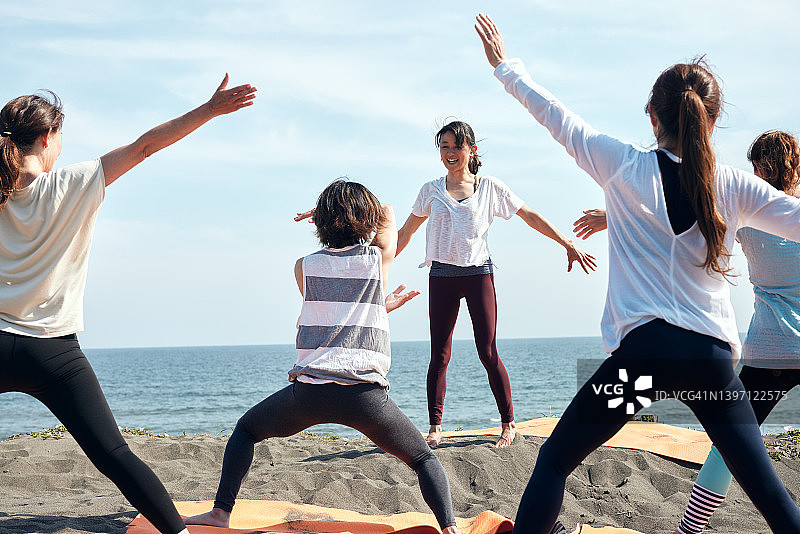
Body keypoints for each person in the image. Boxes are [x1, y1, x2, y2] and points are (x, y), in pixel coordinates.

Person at [475, 12, 800, 534]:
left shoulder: (620, 165)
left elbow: (555, 116)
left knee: (556, 461)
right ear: (712, 122)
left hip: (642, 365)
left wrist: (504, 67)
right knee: (770, 498)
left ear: (653, 116)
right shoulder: (736, 185)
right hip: (710, 365)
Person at [0, 77, 256, 534]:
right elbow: (144, 147)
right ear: (45, 138)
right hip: (53, 353)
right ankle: (176, 532)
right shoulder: (71, 184)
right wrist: (209, 110)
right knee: (113, 455)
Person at [185, 179, 461, 534]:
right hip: (366, 398)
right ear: (365, 219)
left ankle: (221, 513)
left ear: (320, 225)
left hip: (310, 395)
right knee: (422, 457)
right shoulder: (375, 260)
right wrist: (344, 214)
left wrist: (327, 214)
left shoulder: (303, 266)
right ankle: (450, 528)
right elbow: (389, 214)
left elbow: (336, 313)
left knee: (246, 430)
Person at [573, 130, 800, 534]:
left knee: (729, 447)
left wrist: (612, 216)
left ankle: (689, 530)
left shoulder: (748, 214)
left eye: (755, 167)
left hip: (770, 350)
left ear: (763, 168)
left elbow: (676, 212)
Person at [396, 120, 596, 448]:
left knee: (487, 351)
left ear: (471, 150)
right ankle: (434, 427)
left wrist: (567, 243)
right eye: (443, 146)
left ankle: (508, 423)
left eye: (455, 147)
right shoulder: (429, 191)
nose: (449, 153)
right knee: (439, 354)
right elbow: (404, 234)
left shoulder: (489, 188)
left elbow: (529, 215)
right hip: (442, 276)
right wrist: (375, 261)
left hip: (478, 275)